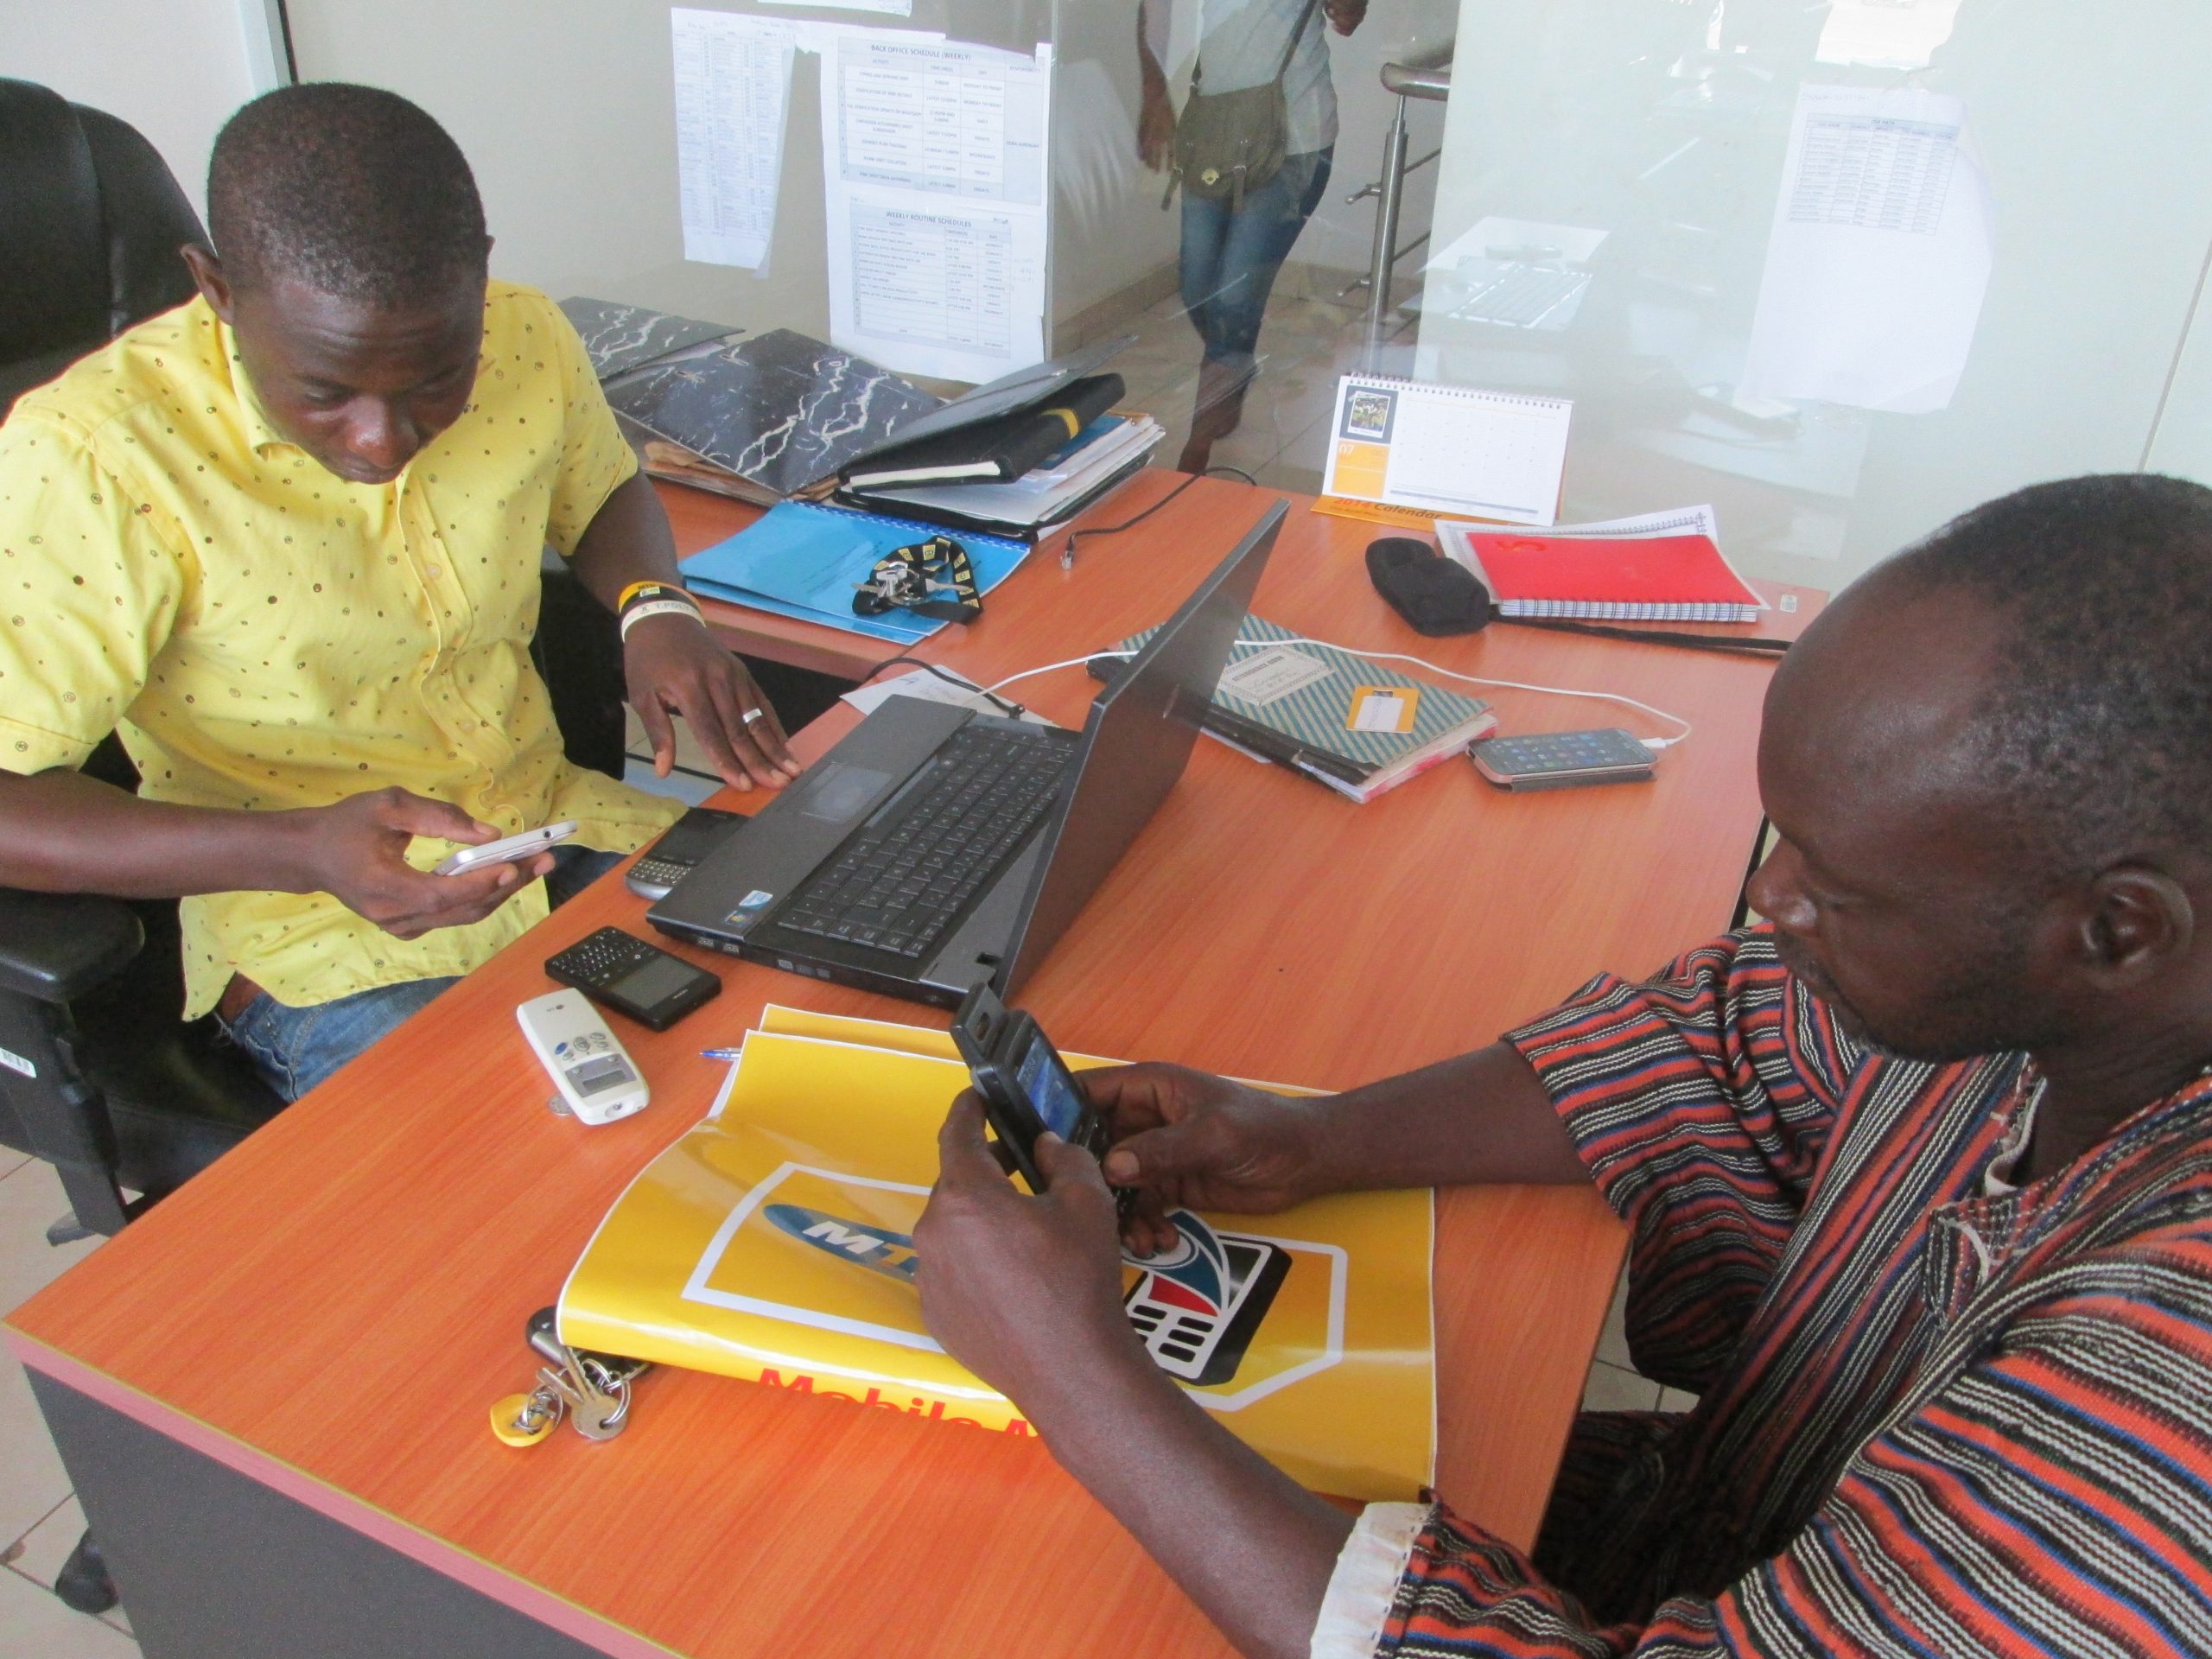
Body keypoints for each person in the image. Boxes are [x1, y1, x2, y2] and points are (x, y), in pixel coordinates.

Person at [914, 474, 2212, 1657]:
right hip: (1708, 1518)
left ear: (2121, 930)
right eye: (1783, 843)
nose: (1769, 898)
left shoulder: (2172, 1407)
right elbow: (1722, 1042)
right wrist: (1312, 1138)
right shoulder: (2047, 997)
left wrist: (1074, 1372)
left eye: (1841, 889)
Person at [0, 84, 798, 1102]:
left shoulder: (521, 335)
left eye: (434, 379)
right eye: (325, 393)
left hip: (563, 837)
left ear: (479, 281)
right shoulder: (94, 459)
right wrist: (301, 851)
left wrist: (657, 610)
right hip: (323, 948)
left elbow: (600, 484)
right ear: (215, 290)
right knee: (510, 1211)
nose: (383, 440)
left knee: (839, 1014)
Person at [1138, 0, 1368, 474]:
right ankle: (1233, 364)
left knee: (1236, 298)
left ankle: (1197, 448)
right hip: (1217, 132)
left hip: (1294, 141)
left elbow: (1349, 14)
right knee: (1198, 285)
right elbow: (1157, 10)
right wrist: (1155, 93)